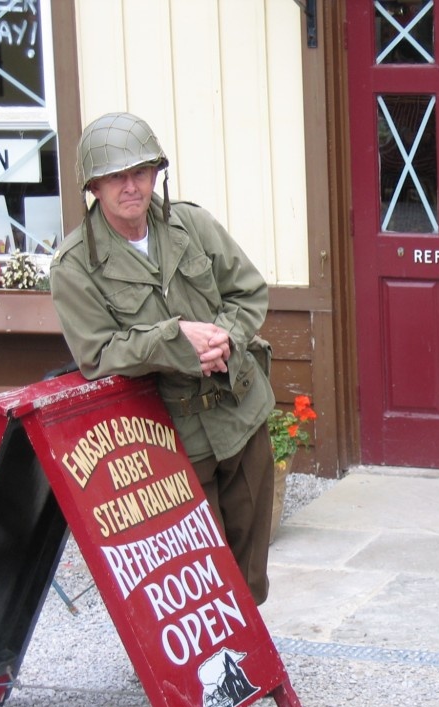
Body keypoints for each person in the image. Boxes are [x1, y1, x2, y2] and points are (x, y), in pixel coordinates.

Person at [50, 112, 276, 605]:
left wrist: (226, 338)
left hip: (240, 413)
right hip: (171, 438)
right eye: (116, 176)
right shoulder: (76, 266)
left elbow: (249, 291)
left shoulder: (191, 224)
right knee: (195, 571)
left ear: (157, 173)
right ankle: (205, 672)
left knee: (249, 569)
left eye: (141, 172)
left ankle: (248, 661)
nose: (131, 186)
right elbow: (98, 353)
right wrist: (175, 340)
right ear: (93, 185)